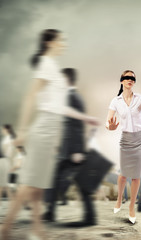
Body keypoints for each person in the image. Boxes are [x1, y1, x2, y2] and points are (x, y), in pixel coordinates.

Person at [0, 29, 99, 240]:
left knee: (38, 184)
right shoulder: (45, 63)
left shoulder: (53, 67)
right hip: (44, 127)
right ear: (50, 42)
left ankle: (36, 229)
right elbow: (29, 96)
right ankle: (3, 230)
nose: (65, 43)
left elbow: (59, 107)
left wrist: (85, 118)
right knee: (29, 183)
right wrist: (22, 130)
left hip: (51, 128)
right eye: (62, 39)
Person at [43, 68, 97, 227]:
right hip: (68, 149)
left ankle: (89, 217)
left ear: (66, 79)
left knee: (80, 183)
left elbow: (77, 126)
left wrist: (77, 150)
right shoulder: (73, 96)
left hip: (73, 150)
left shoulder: (71, 96)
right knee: (56, 179)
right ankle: (51, 212)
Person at [106, 70, 141, 224]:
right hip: (126, 140)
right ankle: (119, 198)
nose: (130, 80)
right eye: (127, 77)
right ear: (122, 81)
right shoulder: (115, 101)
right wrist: (111, 127)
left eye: (133, 78)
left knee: (136, 176)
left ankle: (131, 207)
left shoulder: (140, 98)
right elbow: (108, 122)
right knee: (123, 174)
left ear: (134, 82)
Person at [0, 124, 17, 215]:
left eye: (2, 129)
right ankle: (12, 204)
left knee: (0, 184)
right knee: (5, 184)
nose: (1, 130)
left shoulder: (7, 138)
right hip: (4, 161)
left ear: (6, 129)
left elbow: (3, 151)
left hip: (2, 161)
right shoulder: (9, 138)